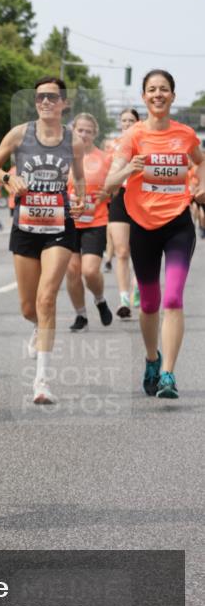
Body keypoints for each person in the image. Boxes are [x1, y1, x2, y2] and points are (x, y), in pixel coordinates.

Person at [105, 70, 204, 399]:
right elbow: (108, 183)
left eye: (164, 89)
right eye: (152, 89)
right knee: (149, 303)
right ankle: (152, 359)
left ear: (172, 96)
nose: (158, 94)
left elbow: (201, 162)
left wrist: (201, 186)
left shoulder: (186, 135)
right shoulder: (132, 136)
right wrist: (127, 169)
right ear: (144, 97)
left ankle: (168, 374)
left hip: (178, 226)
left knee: (173, 298)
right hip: (143, 227)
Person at [0, 77, 85, 405]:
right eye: (40, 97)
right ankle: (37, 326)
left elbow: (80, 178)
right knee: (28, 306)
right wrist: (8, 178)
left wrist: (81, 199)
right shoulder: (20, 134)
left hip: (59, 225)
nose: (45, 102)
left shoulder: (73, 140)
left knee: (46, 299)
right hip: (25, 226)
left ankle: (42, 381)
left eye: (52, 97)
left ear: (64, 103)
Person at [65, 113, 114, 331]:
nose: (84, 135)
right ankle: (81, 315)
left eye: (88, 131)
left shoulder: (105, 159)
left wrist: (106, 194)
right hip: (68, 222)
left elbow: (115, 186)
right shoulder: (64, 156)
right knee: (72, 271)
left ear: (95, 134)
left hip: (95, 221)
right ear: (73, 131)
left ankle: (100, 299)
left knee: (90, 271)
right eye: (80, 130)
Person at [106, 108, 141, 317]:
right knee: (121, 251)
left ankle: (137, 286)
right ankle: (123, 298)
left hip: (140, 199)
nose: (127, 124)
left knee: (139, 250)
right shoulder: (113, 145)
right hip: (119, 198)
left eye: (131, 120)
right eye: (124, 120)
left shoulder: (144, 142)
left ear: (138, 122)